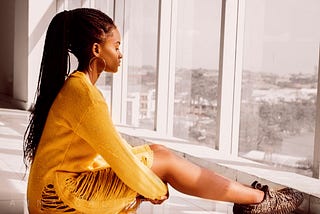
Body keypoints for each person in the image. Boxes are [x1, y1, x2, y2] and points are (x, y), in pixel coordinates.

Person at [23, 8, 303, 214]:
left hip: (50, 191)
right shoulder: (84, 94)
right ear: (97, 49)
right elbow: (118, 157)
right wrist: (154, 188)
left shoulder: (77, 86)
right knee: (164, 163)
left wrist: (148, 174)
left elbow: (113, 147)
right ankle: (259, 201)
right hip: (56, 199)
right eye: (116, 45)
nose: (121, 53)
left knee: (158, 152)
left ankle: (249, 199)